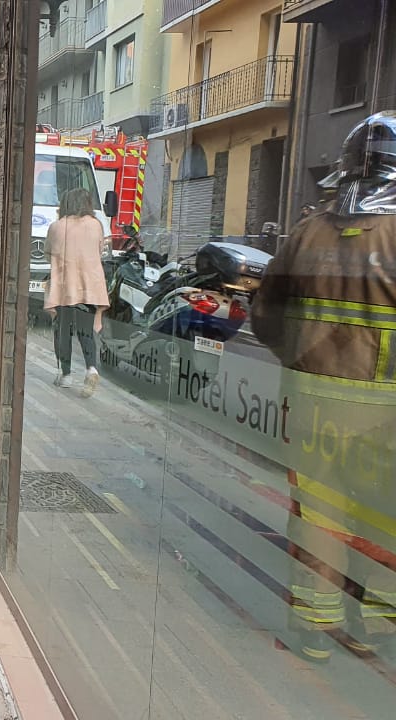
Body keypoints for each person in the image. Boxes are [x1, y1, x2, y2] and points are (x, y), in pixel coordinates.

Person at [252, 111, 396, 663]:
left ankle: (315, 628)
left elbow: (267, 316)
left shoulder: (308, 231)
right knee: (381, 511)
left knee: (318, 511)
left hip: (314, 400)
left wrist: (302, 358)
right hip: (387, 406)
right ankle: (373, 626)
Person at [44, 188, 108, 397]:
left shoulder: (57, 227)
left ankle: (66, 374)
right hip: (89, 287)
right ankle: (91, 369)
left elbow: (48, 254)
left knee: (63, 330)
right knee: (85, 331)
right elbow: (99, 251)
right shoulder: (96, 225)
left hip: (65, 287)